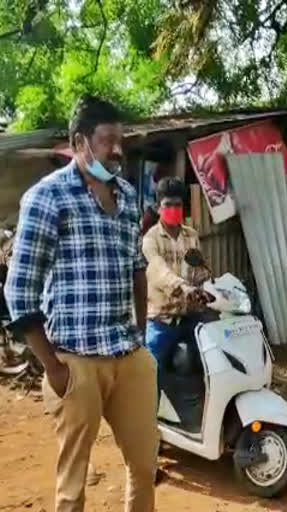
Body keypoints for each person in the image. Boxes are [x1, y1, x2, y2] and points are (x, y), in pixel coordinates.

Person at [4, 95, 157, 512]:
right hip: (75, 363)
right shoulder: (47, 197)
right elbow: (19, 291)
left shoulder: (127, 197)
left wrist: (140, 338)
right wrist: (52, 366)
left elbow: (137, 266)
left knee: (144, 467)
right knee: (73, 487)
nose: (117, 150)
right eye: (107, 140)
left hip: (128, 356)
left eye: (120, 140)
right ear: (79, 142)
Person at [143, 177, 211, 390]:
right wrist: (184, 288)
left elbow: (199, 269)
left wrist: (209, 286)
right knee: (152, 373)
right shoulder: (150, 239)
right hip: (162, 319)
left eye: (178, 205)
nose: (173, 209)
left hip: (190, 316)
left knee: (210, 362)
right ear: (158, 207)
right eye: (168, 205)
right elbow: (158, 271)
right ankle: (150, 420)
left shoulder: (191, 235)